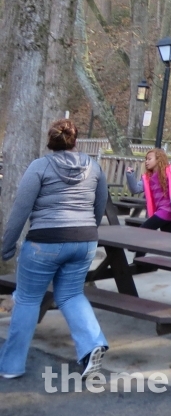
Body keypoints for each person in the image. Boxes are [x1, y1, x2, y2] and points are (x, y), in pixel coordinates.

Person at [0, 119, 109, 379]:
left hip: (45, 241)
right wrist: (85, 230)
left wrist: (6, 247)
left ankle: (11, 366)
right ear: (75, 140)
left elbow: (20, 210)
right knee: (71, 295)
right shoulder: (93, 166)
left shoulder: (39, 166)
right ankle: (92, 345)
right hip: (84, 240)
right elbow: (100, 203)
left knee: (27, 299)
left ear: (50, 141)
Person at [124, 148, 171, 233]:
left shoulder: (169, 173)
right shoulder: (147, 178)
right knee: (167, 239)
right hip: (162, 211)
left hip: (167, 210)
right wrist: (130, 175)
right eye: (146, 159)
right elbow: (135, 189)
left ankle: (132, 246)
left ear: (158, 160)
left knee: (142, 232)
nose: (146, 161)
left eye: (149, 159)